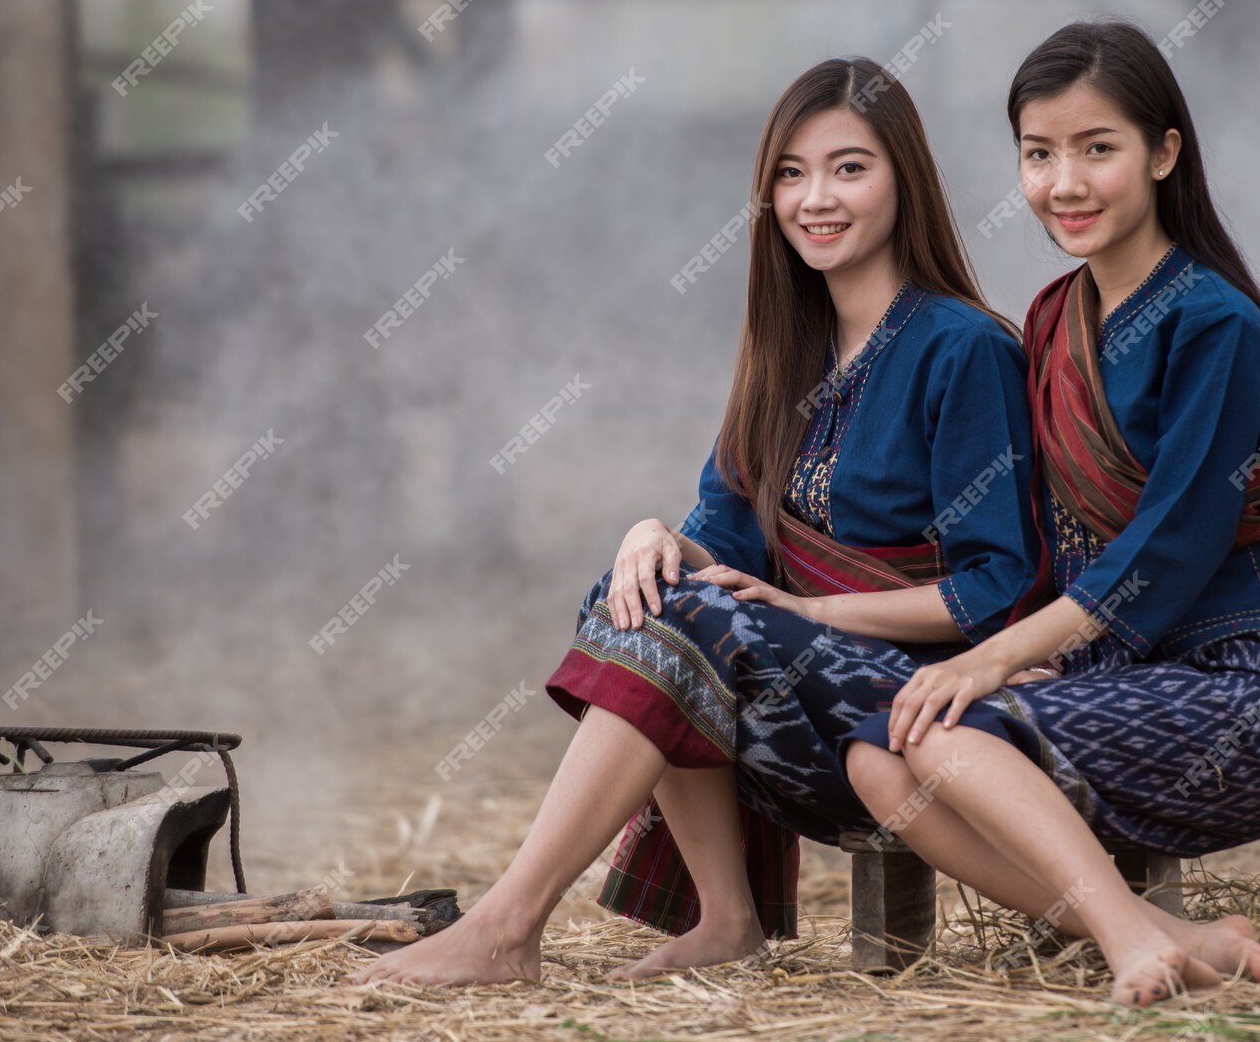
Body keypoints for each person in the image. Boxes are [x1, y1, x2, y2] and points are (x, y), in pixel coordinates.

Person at [350, 56, 1042, 987]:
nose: (815, 198)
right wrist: (656, 535)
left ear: (903, 179)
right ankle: (727, 918)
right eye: (791, 174)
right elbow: (727, 530)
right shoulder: (784, 352)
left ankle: (508, 926)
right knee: (639, 591)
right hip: (798, 697)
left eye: (849, 167)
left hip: (917, 704)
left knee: (690, 619)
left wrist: (813, 617)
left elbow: (995, 588)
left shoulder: (965, 348)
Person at [839, 19, 1260, 1006]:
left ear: (1161, 153)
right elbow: (1030, 532)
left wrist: (993, 655)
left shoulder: (1216, 324)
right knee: (877, 757)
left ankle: (1128, 948)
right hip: (1106, 677)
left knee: (936, 735)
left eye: (1095, 149)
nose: (1063, 182)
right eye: (1036, 153)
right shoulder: (1051, 317)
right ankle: (1181, 938)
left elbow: (1172, 542)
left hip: (1236, 691)